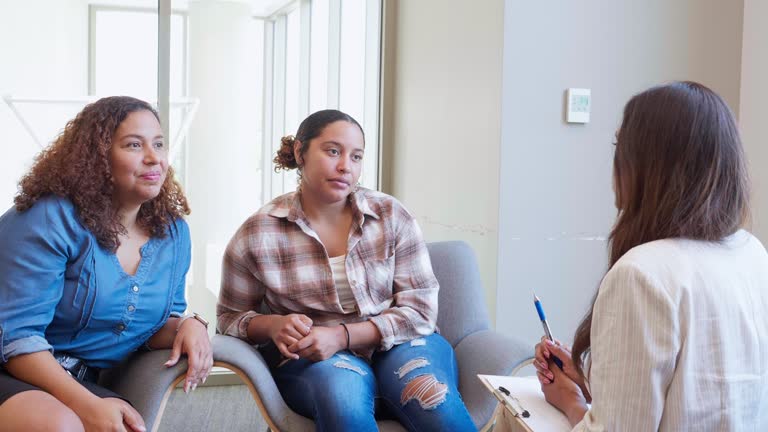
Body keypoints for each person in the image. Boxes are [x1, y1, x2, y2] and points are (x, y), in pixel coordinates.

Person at [217, 109, 477, 432]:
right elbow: (229, 318)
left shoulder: (391, 215)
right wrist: (271, 325)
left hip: (402, 344)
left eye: (356, 157)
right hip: (318, 361)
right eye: (333, 152)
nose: (345, 167)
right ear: (300, 152)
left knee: (433, 401)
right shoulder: (257, 234)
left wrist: (342, 336)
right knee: (344, 404)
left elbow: (421, 311)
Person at [534, 81, 768, 430]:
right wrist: (589, 382)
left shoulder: (641, 274)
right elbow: (698, 399)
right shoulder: (751, 253)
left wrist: (571, 403)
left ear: (647, 165)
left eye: (619, 145)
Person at [0, 96, 213, 432]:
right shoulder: (48, 218)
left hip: (80, 380)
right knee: (62, 425)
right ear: (97, 157)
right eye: (133, 145)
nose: (153, 157)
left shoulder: (173, 233)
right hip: (14, 367)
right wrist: (86, 404)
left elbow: (149, 324)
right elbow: (17, 338)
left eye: (158, 144)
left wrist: (190, 324)